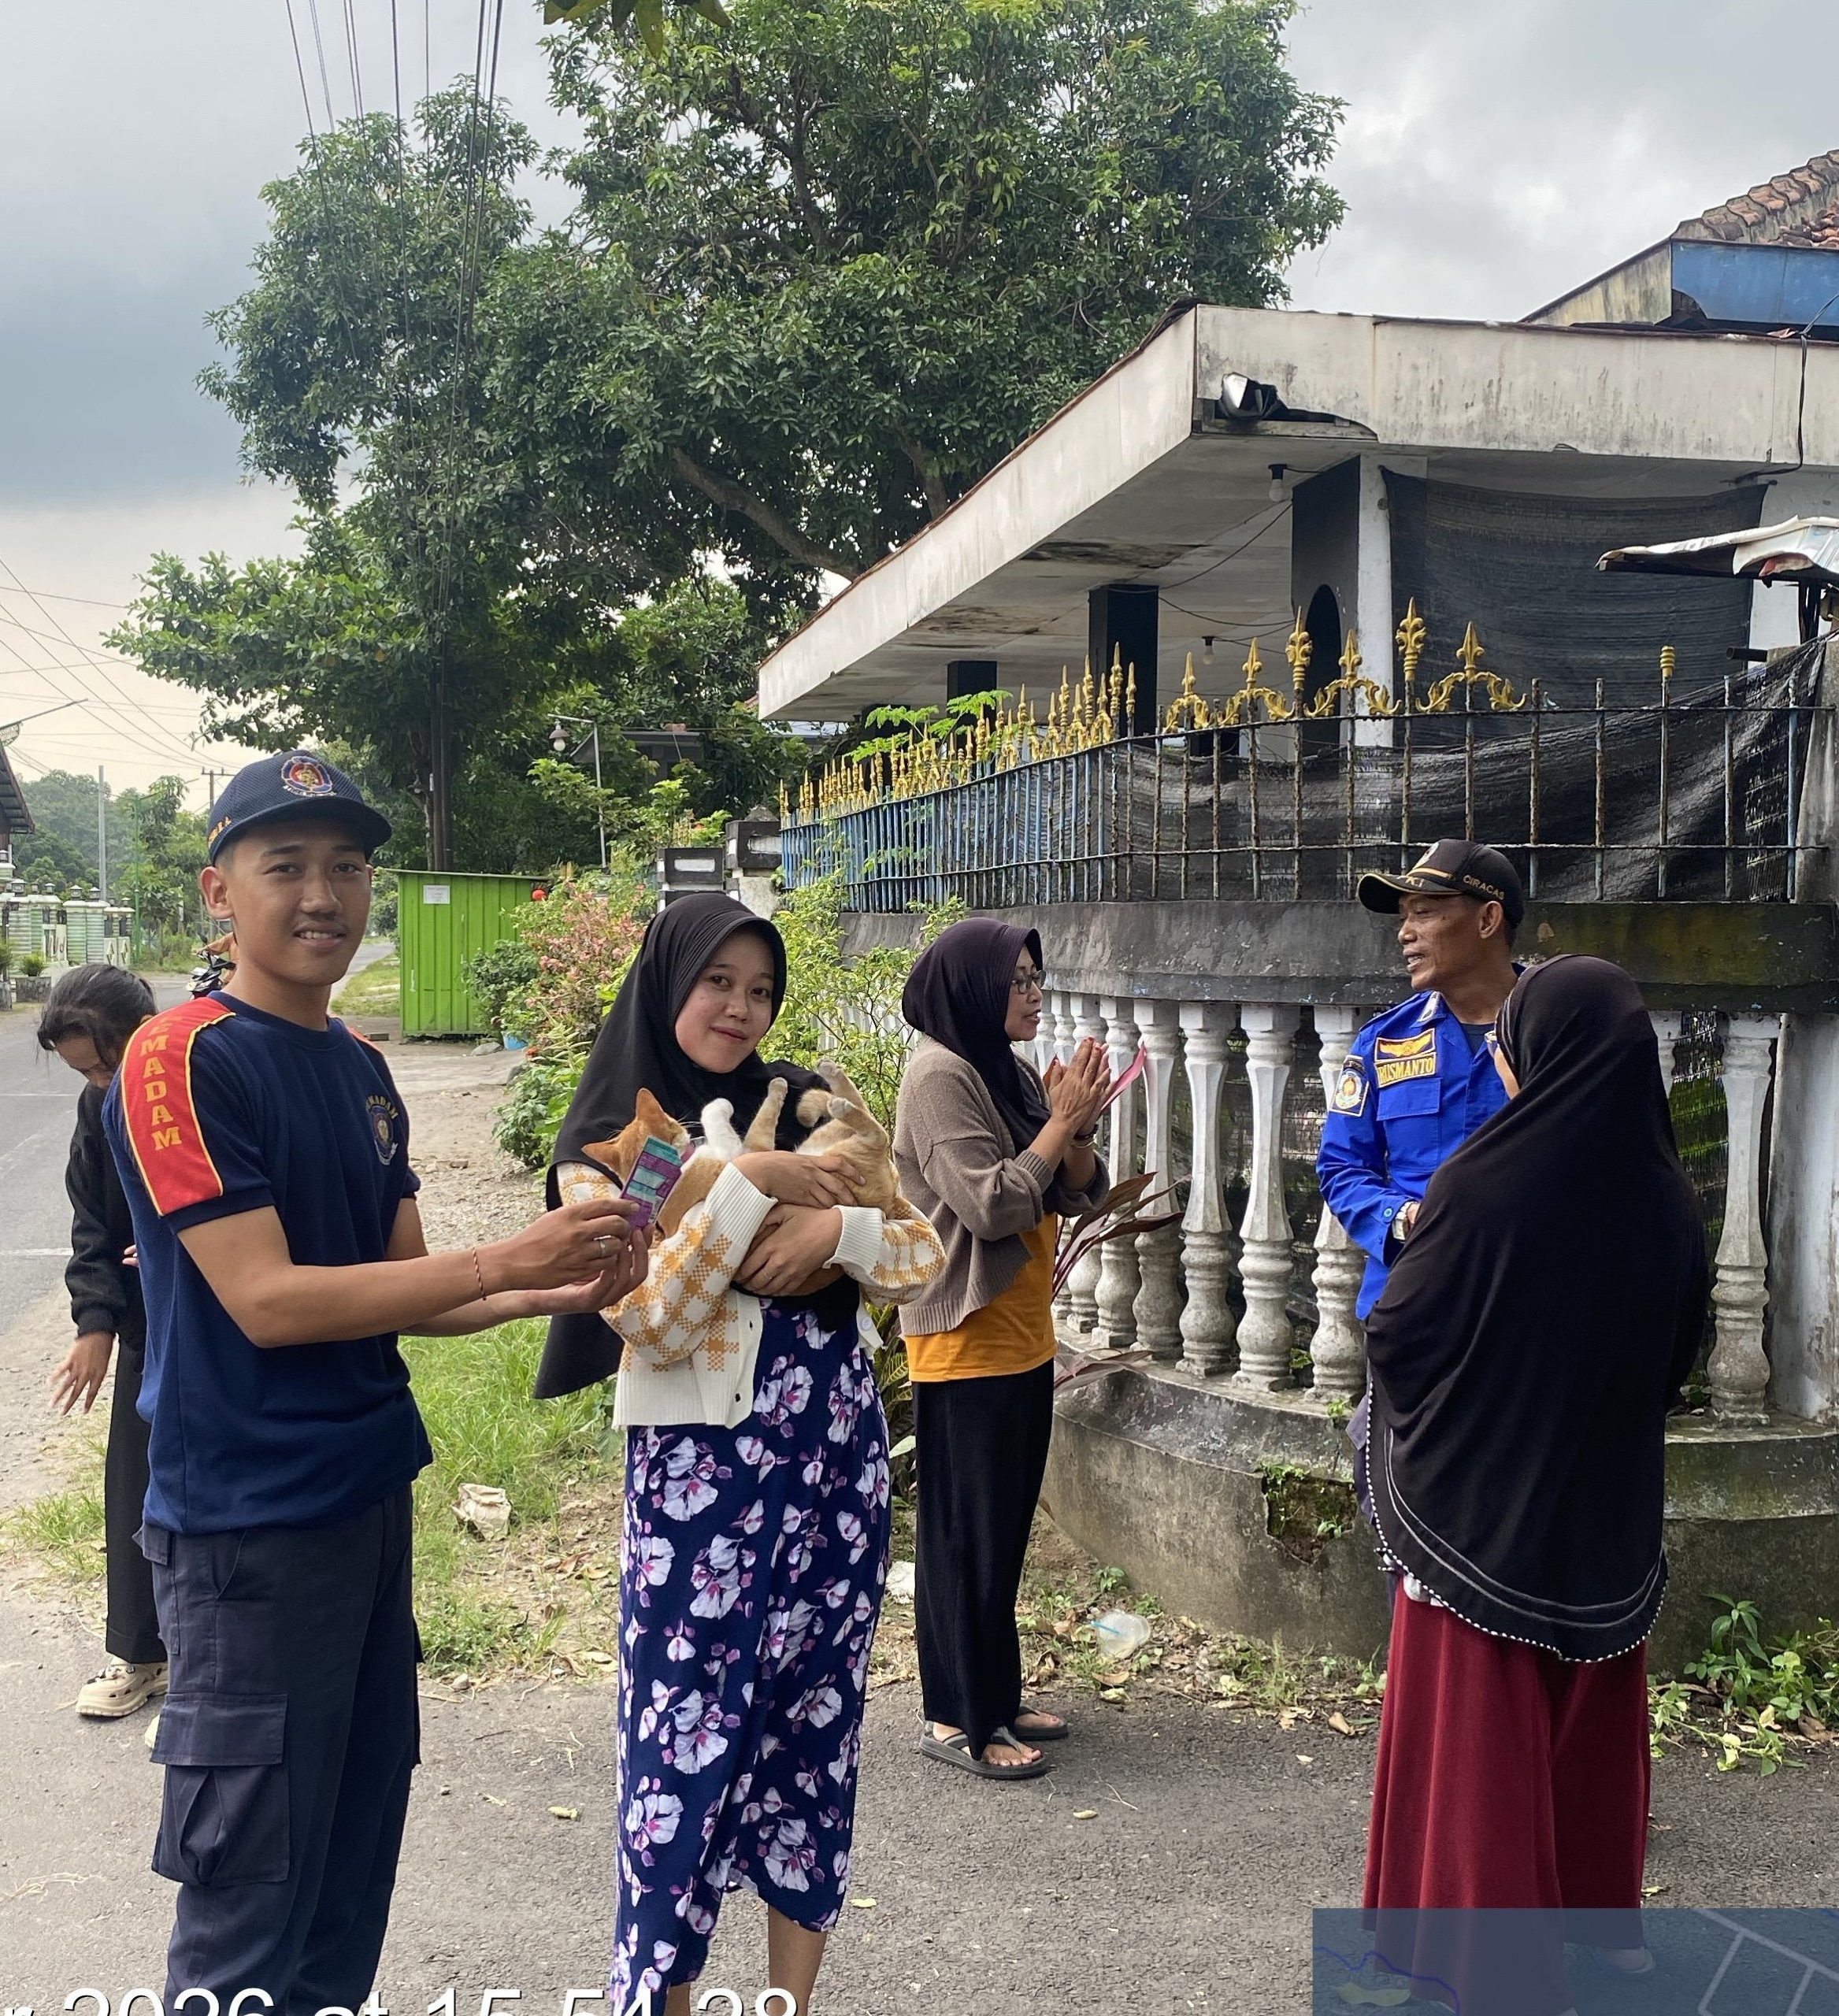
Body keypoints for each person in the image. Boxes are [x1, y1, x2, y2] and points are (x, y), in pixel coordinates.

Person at [104, 750, 647, 2013]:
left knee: (349, 1866)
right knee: (250, 1893)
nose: (322, 894)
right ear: (217, 893)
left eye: (346, 866)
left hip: (362, 1505)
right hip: (246, 1532)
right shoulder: (178, 1055)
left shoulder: (358, 1067)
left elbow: (410, 1283)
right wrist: (501, 1254)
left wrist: (554, 1289)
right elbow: (269, 1299)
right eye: (284, 865)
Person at [535, 892, 944, 2016]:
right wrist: (752, 1188)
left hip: (834, 1471)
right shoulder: (621, 1144)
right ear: (669, 980)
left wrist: (836, 1231)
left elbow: (919, 1252)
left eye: (759, 990)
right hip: (700, 1490)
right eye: (717, 981)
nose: (739, 1007)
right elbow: (650, 1320)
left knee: (814, 1730)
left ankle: (786, 2003)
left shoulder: (806, 1099)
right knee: (681, 1746)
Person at [1360, 956, 1707, 2014]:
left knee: (1482, 1735)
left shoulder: (1480, 1187)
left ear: (1535, 1054)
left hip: (1481, 1513)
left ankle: (1492, 1965)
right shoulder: (1666, 1200)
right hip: (1605, 1509)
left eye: (1508, 1048)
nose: (1500, 1067)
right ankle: (1605, 1938)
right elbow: (1678, 1359)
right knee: (1592, 1729)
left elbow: (1398, 1333)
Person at [892, 917, 1111, 1781]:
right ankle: (957, 1715)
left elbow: (1074, 1189)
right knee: (963, 1536)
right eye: (1018, 981)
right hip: (964, 1338)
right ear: (974, 987)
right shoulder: (936, 1076)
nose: (1033, 994)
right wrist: (1057, 1127)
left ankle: (997, 1689)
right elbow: (990, 1204)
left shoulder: (1003, 1066)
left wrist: (1078, 1128)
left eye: (1035, 978)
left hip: (1020, 1332)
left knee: (1003, 1532)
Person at [1316, 839, 1525, 1542]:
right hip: (1413, 1318)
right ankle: (1415, 1656)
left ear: (1488, 920)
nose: (1404, 931)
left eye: (1426, 911)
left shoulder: (1556, 1033)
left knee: (1511, 1518)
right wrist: (1401, 1219)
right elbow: (1341, 1169)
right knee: (1404, 1517)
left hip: (1522, 1321)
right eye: (1401, 915)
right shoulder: (1382, 1044)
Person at [39, 962, 167, 1724]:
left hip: (240, 1317)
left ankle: (218, 1653)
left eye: (105, 1062)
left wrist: (171, 1248)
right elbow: (93, 1219)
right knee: (136, 1473)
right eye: (83, 1072)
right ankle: (142, 1654)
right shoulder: (99, 1108)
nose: (98, 1081)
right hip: (148, 1322)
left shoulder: (196, 1084)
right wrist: (96, 1324)